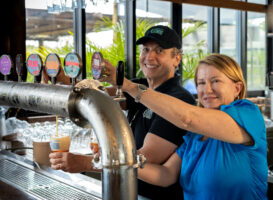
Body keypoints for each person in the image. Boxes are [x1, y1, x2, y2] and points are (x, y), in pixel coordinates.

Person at [49, 25, 196, 200]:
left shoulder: (178, 99)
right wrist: (60, 78)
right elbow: (94, 94)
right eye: (146, 49)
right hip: (129, 191)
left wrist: (85, 162)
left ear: (176, 59)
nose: (150, 57)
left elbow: (146, 157)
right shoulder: (140, 85)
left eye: (160, 51)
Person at [100, 53, 268, 199]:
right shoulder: (195, 135)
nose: (207, 90)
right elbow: (166, 174)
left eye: (215, 81)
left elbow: (188, 117)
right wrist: (113, 161)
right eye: (201, 83)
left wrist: (128, 86)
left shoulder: (248, 114)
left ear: (237, 88)